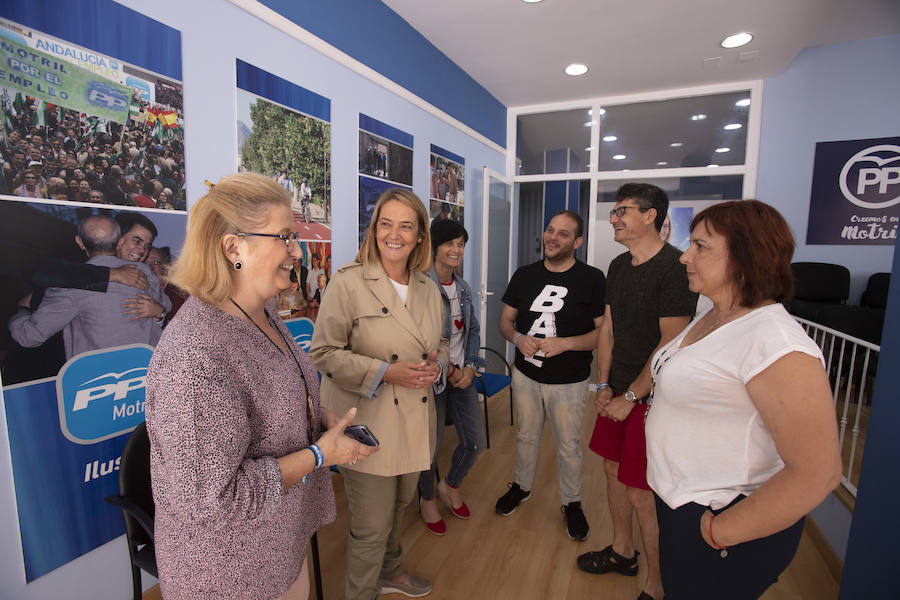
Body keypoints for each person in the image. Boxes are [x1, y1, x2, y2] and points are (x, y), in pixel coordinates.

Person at [144, 173, 377, 600]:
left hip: (278, 544)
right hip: (228, 572)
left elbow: (279, 396)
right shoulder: (195, 357)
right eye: (286, 237)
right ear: (235, 247)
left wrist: (317, 420)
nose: (298, 250)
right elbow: (215, 501)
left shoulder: (262, 313)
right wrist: (322, 453)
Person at [645, 200, 841, 599]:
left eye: (701, 246)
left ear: (746, 257)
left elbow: (818, 473)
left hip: (723, 517)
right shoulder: (715, 313)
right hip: (682, 501)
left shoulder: (775, 343)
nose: (685, 256)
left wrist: (718, 531)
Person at [309, 188, 448, 600]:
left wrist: (437, 364)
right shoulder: (349, 282)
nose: (394, 234)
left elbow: (436, 343)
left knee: (400, 505)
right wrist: (386, 372)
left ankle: (391, 571)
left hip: (415, 419)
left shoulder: (427, 286)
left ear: (420, 235)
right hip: (367, 423)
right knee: (371, 525)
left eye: (406, 226)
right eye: (385, 224)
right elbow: (323, 353)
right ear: (374, 230)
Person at [577, 183, 697, 600]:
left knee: (641, 492)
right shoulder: (618, 266)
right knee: (611, 473)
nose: (614, 217)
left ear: (651, 216)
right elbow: (608, 327)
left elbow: (670, 343)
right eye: (614, 211)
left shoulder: (675, 267)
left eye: (622, 210)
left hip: (653, 400)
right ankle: (623, 552)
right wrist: (605, 384)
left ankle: (658, 585)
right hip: (619, 393)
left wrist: (632, 397)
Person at [494, 210, 606, 542]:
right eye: (550, 230)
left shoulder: (593, 278)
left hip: (570, 381)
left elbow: (603, 334)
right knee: (526, 436)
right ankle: (522, 487)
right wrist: (517, 338)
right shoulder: (524, 275)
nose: (552, 238)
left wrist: (567, 344)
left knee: (568, 446)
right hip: (526, 376)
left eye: (563, 234)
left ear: (578, 242)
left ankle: (572, 503)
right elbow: (504, 321)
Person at [8, 215, 169, 359]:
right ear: (119, 240)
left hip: (103, 379)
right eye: (137, 240)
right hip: (134, 374)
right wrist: (111, 274)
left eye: (147, 245)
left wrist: (20, 312)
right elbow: (44, 272)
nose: (142, 250)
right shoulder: (72, 276)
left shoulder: (144, 273)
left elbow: (30, 335)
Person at [416, 218, 486, 536]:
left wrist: (471, 366)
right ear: (434, 245)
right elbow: (420, 338)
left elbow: (473, 331)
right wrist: (451, 368)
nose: (456, 250)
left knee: (474, 442)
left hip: (463, 377)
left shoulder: (463, 288)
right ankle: (427, 497)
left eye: (460, 244)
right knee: (430, 447)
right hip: (434, 378)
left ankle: (450, 484)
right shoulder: (420, 286)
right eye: (449, 243)